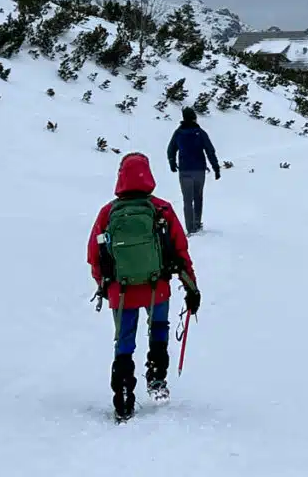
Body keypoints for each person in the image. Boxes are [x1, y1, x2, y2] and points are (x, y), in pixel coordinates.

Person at [87, 152, 201, 421]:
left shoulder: (108, 213)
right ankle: (157, 378)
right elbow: (180, 251)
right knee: (159, 328)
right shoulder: (162, 209)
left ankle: (124, 394)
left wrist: (104, 284)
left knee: (124, 339)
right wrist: (191, 287)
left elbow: (94, 254)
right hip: (156, 286)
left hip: (121, 290)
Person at [167, 106, 221, 235]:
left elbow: (170, 149)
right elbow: (210, 151)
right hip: (199, 170)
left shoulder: (178, 133)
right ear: (194, 118)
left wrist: (172, 163)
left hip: (184, 171)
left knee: (187, 200)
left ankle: (190, 228)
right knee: (198, 197)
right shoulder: (200, 133)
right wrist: (216, 167)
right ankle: (197, 224)